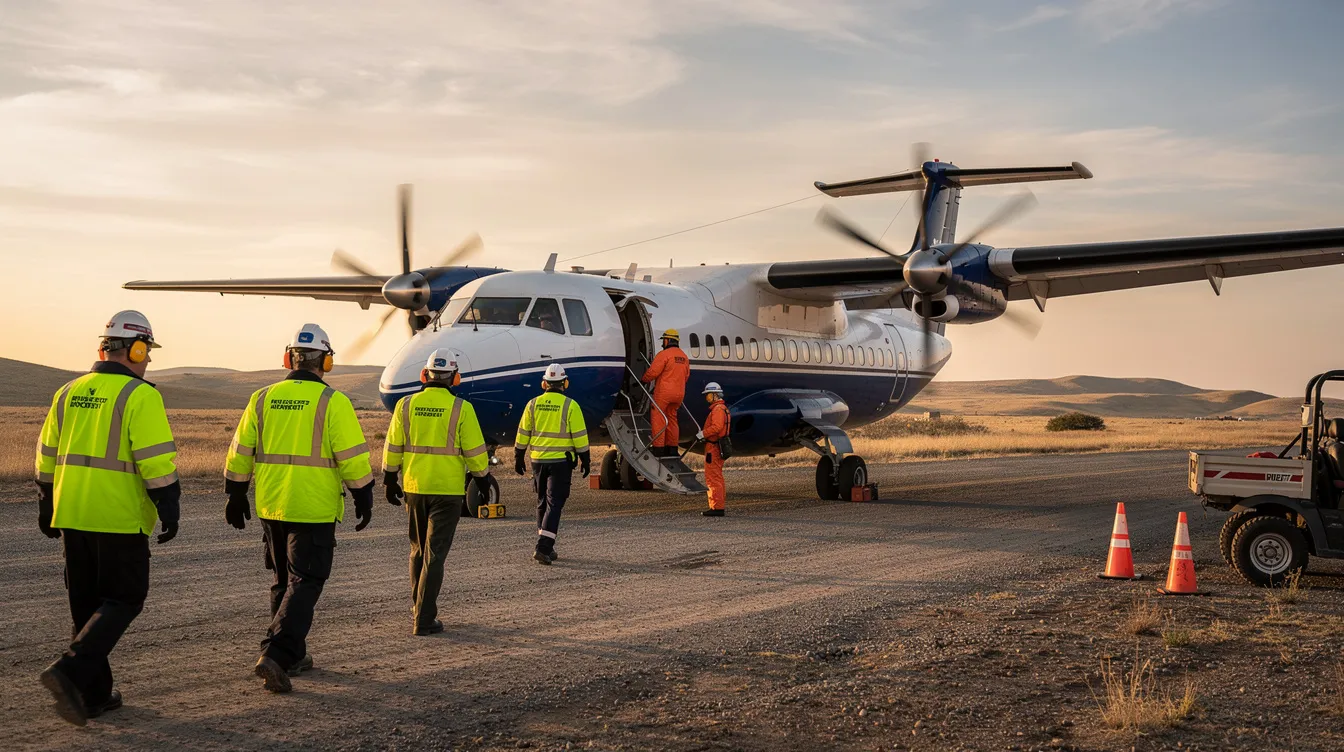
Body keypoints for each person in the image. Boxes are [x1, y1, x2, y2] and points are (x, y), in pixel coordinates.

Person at [34, 311, 180, 726]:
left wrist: (46, 502)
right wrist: (169, 505)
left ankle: (94, 695)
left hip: (73, 513)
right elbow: (154, 460)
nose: (148, 359)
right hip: (116, 516)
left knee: (87, 604)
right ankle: (69, 671)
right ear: (135, 349)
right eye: (147, 351)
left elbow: (46, 454)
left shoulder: (68, 391)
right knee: (125, 598)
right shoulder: (140, 395)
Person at [223, 323, 374, 693]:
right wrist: (363, 494)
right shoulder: (332, 402)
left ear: (289, 358)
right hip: (312, 506)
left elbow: (241, 450)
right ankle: (276, 652)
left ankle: (296, 653)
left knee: (282, 580)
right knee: (306, 580)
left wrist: (236, 492)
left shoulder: (261, 398)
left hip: (271, 504)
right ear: (326, 361)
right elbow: (352, 457)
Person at [383, 350, 491, 636]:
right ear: (455, 378)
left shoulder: (405, 406)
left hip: (415, 488)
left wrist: (389, 477)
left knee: (417, 550)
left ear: (424, 375)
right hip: (447, 491)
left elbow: (393, 445)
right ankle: (425, 618)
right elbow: (475, 452)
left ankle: (417, 607)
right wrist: (482, 480)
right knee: (435, 554)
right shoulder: (461, 408)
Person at [513, 363, 590, 564]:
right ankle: (543, 547)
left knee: (542, 503)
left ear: (544, 383)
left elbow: (523, 432)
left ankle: (547, 545)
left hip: (538, 461)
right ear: (565, 383)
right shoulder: (570, 405)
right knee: (554, 504)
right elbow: (580, 436)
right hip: (560, 463)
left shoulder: (532, 404)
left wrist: (518, 456)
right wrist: (586, 458)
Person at [641, 329, 690, 458]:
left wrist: (643, 379)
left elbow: (653, 372)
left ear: (668, 340)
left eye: (664, 340)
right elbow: (686, 376)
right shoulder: (684, 357)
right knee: (672, 419)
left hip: (664, 394)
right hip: (679, 394)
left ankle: (658, 449)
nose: (663, 343)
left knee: (659, 419)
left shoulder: (664, 355)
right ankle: (672, 449)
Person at [696, 382, 730, 517]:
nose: (707, 398)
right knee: (717, 477)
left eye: (709, 395)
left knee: (712, 478)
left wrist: (703, 434)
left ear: (715, 395)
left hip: (713, 447)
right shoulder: (723, 409)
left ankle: (716, 508)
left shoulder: (717, 410)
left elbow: (716, 427)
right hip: (718, 446)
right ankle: (718, 506)